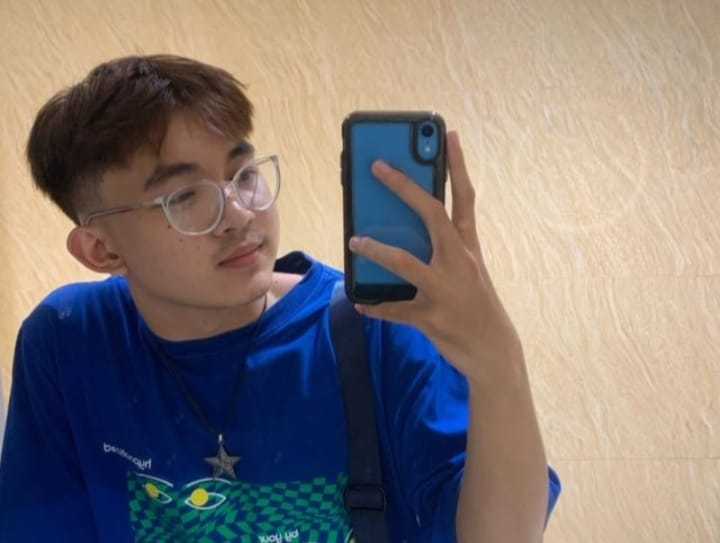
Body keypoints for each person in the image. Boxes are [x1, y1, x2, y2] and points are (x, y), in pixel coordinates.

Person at [0, 55, 560, 543]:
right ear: (101, 250)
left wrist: (498, 365)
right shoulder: (70, 340)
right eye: (184, 196)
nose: (240, 213)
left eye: (243, 173)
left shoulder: (377, 325)